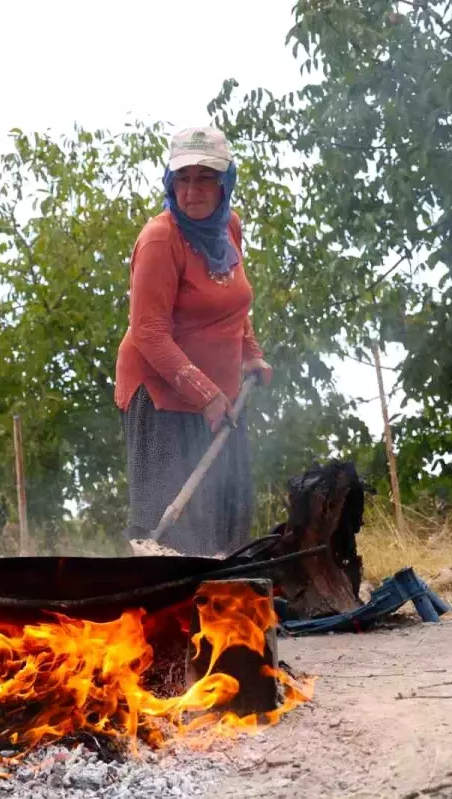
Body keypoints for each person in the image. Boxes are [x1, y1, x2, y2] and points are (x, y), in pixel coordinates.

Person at [113, 126, 273, 557]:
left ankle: (224, 613)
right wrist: (204, 394)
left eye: (204, 178)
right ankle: (171, 612)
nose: (191, 190)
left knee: (227, 508)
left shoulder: (229, 229)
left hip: (218, 392)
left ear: (225, 182)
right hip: (162, 392)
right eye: (182, 178)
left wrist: (250, 355)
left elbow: (233, 301)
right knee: (173, 529)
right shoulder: (160, 239)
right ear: (170, 183)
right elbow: (148, 332)